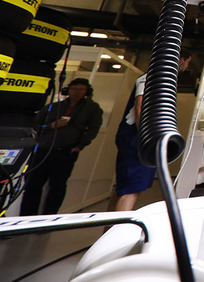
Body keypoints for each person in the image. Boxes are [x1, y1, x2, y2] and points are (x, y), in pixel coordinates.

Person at [108, 50, 192, 211]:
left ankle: (108, 231)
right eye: (187, 62)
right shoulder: (151, 77)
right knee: (132, 190)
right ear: (181, 59)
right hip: (137, 137)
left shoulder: (163, 80)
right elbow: (140, 106)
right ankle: (120, 233)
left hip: (138, 136)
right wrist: (145, 138)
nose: (187, 67)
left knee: (124, 188)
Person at [21, 78, 102, 215]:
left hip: (66, 151)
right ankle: (26, 218)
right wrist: (51, 126)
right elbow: (36, 124)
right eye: (74, 89)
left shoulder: (91, 108)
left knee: (57, 186)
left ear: (86, 91)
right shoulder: (55, 106)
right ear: (68, 90)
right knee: (32, 184)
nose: (76, 92)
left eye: (81, 89)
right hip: (44, 149)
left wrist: (80, 146)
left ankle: (49, 218)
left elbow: (93, 129)